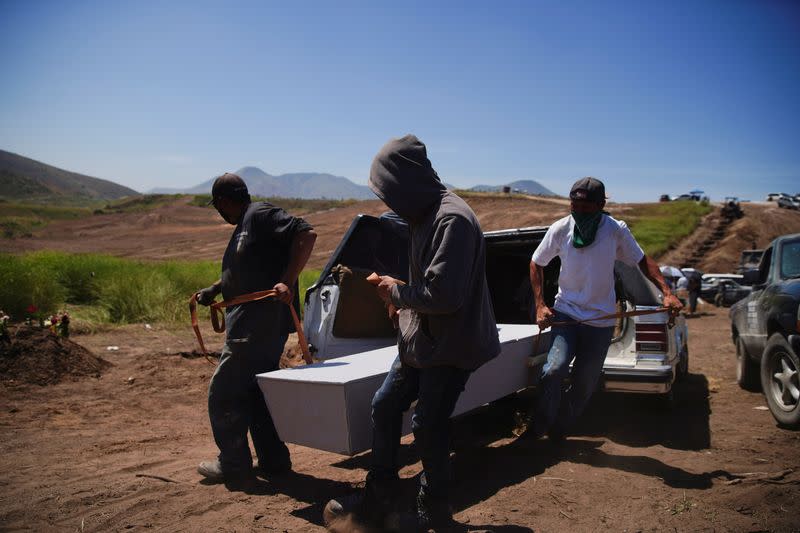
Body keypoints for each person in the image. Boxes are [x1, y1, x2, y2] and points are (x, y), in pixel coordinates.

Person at [324, 135, 500, 529]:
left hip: (454, 342)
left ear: (408, 181)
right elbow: (431, 282)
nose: (388, 203)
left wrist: (396, 291)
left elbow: (446, 295)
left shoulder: (450, 219)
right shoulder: (422, 215)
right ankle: (380, 492)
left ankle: (434, 511)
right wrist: (399, 287)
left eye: (390, 192)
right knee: (385, 405)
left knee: (427, 424)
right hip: (423, 336)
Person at [527, 177, 682, 442]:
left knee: (585, 383)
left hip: (600, 321)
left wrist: (667, 293)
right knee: (554, 369)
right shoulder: (560, 229)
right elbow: (536, 262)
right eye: (574, 206)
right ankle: (536, 429)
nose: (578, 212)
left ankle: (560, 430)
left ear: (601, 205)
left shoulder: (615, 230)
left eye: (585, 208)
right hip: (567, 312)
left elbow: (642, 261)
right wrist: (540, 305)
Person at [194, 173, 316, 483]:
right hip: (252, 322)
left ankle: (233, 463)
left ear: (223, 202)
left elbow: (306, 233)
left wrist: (287, 282)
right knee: (256, 391)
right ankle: (274, 461)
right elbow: (245, 269)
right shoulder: (245, 227)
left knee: (223, 392)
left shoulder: (258, 214)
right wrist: (215, 288)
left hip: (257, 324)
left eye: (218, 206)